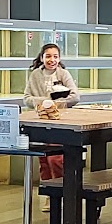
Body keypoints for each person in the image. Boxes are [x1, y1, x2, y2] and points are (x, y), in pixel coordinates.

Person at [22, 42, 80, 182]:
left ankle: (61, 189)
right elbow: (26, 98)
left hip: (60, 123)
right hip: (40, 122)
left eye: (55, 56)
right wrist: (45, 101)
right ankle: (48, 192)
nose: (52, 60)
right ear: (41, 57)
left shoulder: (63, 74)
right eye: (48, 56)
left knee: (56, 160)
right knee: (44, 161)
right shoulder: (35, 75)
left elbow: (75, 97)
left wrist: (54, 104)